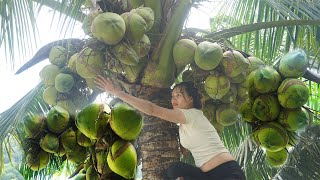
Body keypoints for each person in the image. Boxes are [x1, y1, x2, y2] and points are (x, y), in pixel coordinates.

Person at [94, 75, 246, 180]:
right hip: (205, 176)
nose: (174, 100)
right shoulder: (183, 125)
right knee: (174, 170)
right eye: (172, 96)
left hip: (227, 173)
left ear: (191, 99)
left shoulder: (192, 115)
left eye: (179, 95)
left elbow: (152, 110)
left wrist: (117, 92)